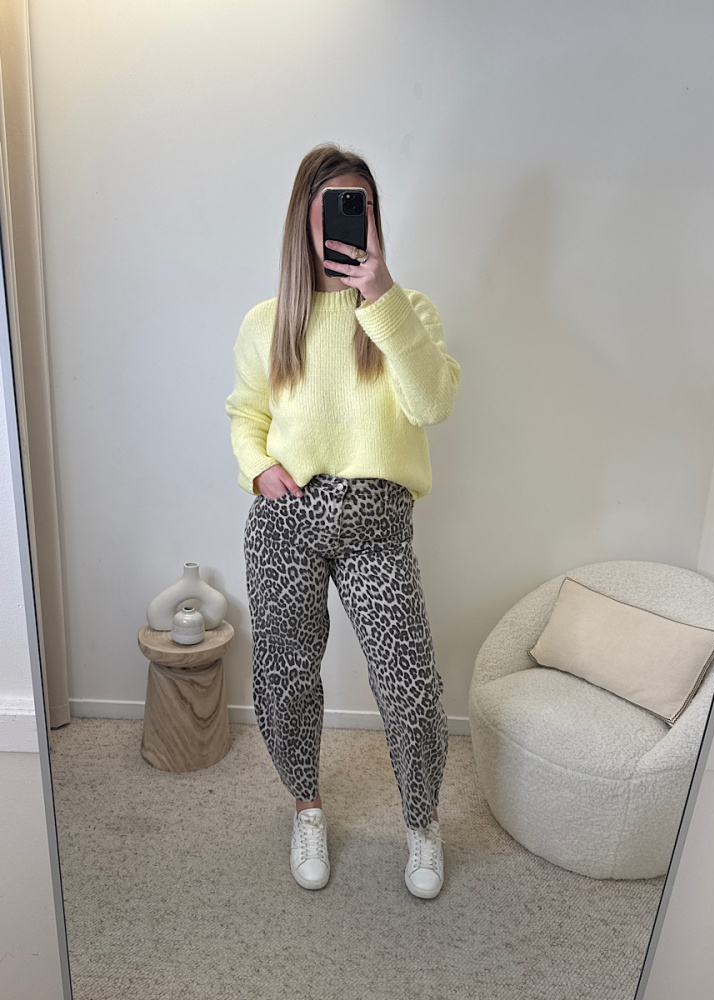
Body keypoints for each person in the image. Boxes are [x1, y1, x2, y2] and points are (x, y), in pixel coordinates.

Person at [225, 142, 461, 899]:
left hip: (377, 524)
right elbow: (245, 415)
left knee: (410, 688)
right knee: (285, 680)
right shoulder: (268, 323)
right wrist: (257, 468)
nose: (345, 221)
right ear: (304, 218)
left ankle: (422, 824)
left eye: (359, 206)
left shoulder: (408, 312)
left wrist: (379, 295)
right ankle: (307, 808)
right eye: (331, 207)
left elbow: (432, 404)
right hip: (288, 519)